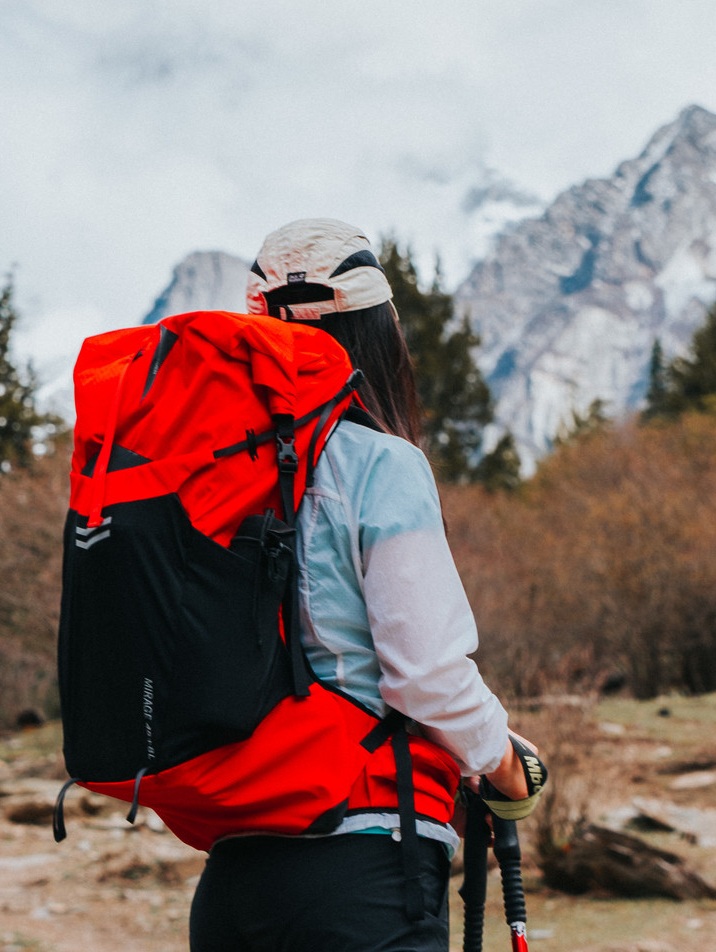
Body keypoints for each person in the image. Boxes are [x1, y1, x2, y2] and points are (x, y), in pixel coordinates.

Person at [188, 217, 542, 952]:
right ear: (377, 333)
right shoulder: (381, 464)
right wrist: (505, 764)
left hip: (233, 880)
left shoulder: (210, 475)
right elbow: (428, 676)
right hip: (365, 864)